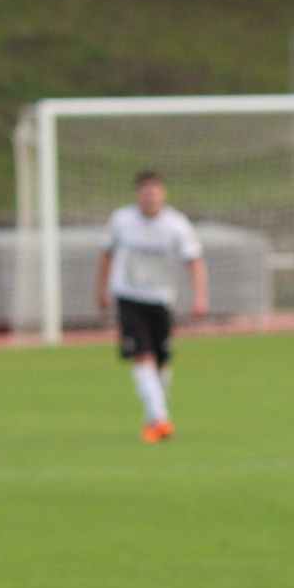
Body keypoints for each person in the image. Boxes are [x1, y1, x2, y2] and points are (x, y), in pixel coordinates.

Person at [95, 170, 207, 443]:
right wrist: (100, 288)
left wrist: (199, 297)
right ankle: (159, 418)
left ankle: (153, 415)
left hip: (161, 299)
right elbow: (107, 254)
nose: (150, 195)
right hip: (129, 297)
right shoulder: (122, 221)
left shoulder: (176, 225)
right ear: (138, 195)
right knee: (142, 355)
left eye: (155, 190)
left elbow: (194, 260)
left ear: (163, 193)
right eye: (145, 191)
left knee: (161, 362)